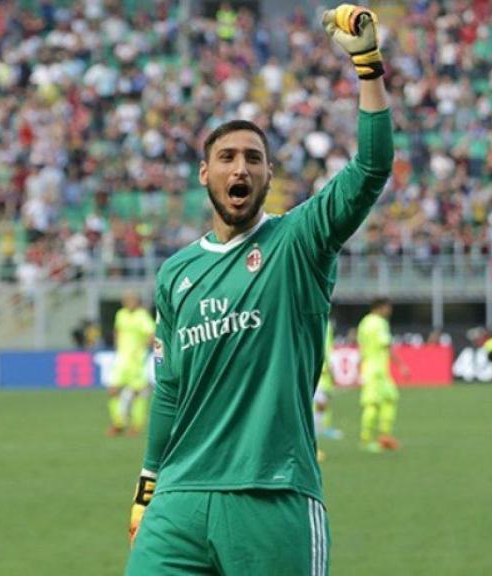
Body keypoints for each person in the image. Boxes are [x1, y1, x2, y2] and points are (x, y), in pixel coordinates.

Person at [125, 6, 391, 574]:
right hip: (178, 500)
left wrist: (368, 67)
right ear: (205, 175)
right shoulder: (176, 273)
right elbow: (170, 389)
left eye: (252, 158)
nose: (239, 168)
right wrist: (147, 484)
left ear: (269, 175)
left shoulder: (299, 240)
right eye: (225, 158)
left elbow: (371, 168)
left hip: (272, 494)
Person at [357, 297, 408, 453]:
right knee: (372, 403)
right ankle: (366, 440)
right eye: (388, 307)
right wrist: (401, 365)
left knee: (390, 398)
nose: (390, 310)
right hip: (375, 370)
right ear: (380, 307)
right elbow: (386, 345)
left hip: (375, 368)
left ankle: (384, 437)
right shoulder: (378, 323)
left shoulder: (364, 322)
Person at [108, 292, 155, 437]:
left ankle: (136, 424)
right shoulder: (121, 314)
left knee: (137, 393)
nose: (128, 302)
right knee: (113, 390)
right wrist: (117, 344)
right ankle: (118, 422)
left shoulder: (142, 316)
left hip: (137, 361)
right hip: (122, 359)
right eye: (126, 299)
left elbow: (152, 334)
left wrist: (141, 349)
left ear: (137, 301)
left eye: (131, 299)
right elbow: (117, 330)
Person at [314, 317, 344, 462]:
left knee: (321, 404)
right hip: (316, 368)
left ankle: (316, 440)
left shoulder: (325, 323)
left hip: (319, 368)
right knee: (317, 405)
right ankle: (312, 447)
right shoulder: (320, 322)